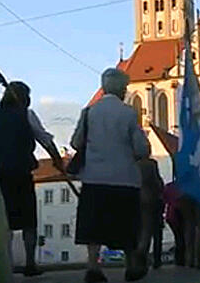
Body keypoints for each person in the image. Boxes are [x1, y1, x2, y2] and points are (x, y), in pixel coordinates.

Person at [71, 68, 151, 283]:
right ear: (122, 90)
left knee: (94, 226)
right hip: (123, 178)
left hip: (94, 177)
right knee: (126, 224)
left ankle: (93, 267)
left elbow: (76, 142)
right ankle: (131, 266)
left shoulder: (89, 112)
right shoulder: (128, 113)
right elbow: (142, 148)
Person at [0, 81, 62, 277]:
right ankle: (30, 262)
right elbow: (45, 139)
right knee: (28, 220)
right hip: (21, 173)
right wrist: (57, 161)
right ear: (24, 97)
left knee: (4, 221)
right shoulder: (27, 115)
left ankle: (5, 264)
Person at [136, 157, 164, 271]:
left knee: (142, 231)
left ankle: (142, 258)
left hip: (137, 200)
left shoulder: (132, 163)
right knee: (155, 231)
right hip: (152, 199)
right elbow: (157, 182)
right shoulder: (151, 164)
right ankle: (156, 259)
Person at [162, 181, 185, 267]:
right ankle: (182, 258)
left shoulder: (169, 187)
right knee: (182, 237)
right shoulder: (185, 187)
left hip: (171, 214)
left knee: (178, 237)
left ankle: (179, 259)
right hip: (179, 213)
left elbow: (163, 200)